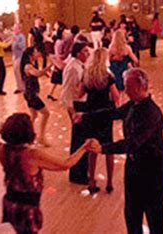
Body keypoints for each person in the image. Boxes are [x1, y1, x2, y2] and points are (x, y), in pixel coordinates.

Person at [80, 68, 163, 234]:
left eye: (127, 86)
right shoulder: (134, 104)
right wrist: (85, 116)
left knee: (153, 215)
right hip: (134, 166)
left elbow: (132, 143)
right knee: (132, 213)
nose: (124, 90)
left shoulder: (151, 113)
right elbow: (113, 113)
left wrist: (102, 148)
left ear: (139, 87)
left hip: (152, 170)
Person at [0, 114, 93, 234]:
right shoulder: (32, 155)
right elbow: (65, 164)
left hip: (10, 204)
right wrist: (84, 148)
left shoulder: (2, 149)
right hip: (27, 209)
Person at [82, 48, 119, 194]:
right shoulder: (108, 76)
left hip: (91, 113)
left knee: (92, 148)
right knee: (108, 147)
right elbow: (116, 96)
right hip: (105, 114)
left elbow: (79, 93)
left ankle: (91, 181)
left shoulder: (87, 75)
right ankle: (109, 182)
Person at [61, 42, 91, 184]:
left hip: (81, 104)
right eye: (85, 51)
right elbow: (67, 92)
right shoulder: (74, 68)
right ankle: (77, 174)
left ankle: (80, 172)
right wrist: (73, 112)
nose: (88, 54)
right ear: (78, 53)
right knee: (79, 141)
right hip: (76, 106)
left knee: (81, 139)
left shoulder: (78, 65)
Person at [21, 46, 53, 147]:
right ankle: (41, 138)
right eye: (36, 52)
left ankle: (26, 136)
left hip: (30, 93)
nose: (38, 53)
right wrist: (50, 66)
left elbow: (38, 74)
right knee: (46, 114)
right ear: (31, 54)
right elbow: (38, 73)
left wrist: (47, 73)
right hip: (31, 95)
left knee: (34, 115)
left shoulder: (31, 64)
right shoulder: (27, 66)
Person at [47, 22, 67, 101]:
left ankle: (50, 94)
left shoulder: (59, 41)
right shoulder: (60, 42)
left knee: (56, 80)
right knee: (63, 80)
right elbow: (59, 54)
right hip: (60, 64)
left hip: (58, 63)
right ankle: (63, 96)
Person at [0, 28, 13, 95]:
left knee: (1, 73)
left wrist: (8, 40)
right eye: (0, 33)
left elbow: (3, 43)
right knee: (2, 73)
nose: (1, 34)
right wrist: (11, 41)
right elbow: (4, 46)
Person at [12, 24, 26, 94]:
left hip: (20, 56)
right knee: (15, 71)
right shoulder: (15, 36)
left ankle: (22, 87)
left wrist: (16, 42)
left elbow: (22, 47)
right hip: (14, 55)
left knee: (18, 71)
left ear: (19, 29)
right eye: (13, 28)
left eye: (15, 29)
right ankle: (19, 86)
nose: (14, 30)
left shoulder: (21, 36)